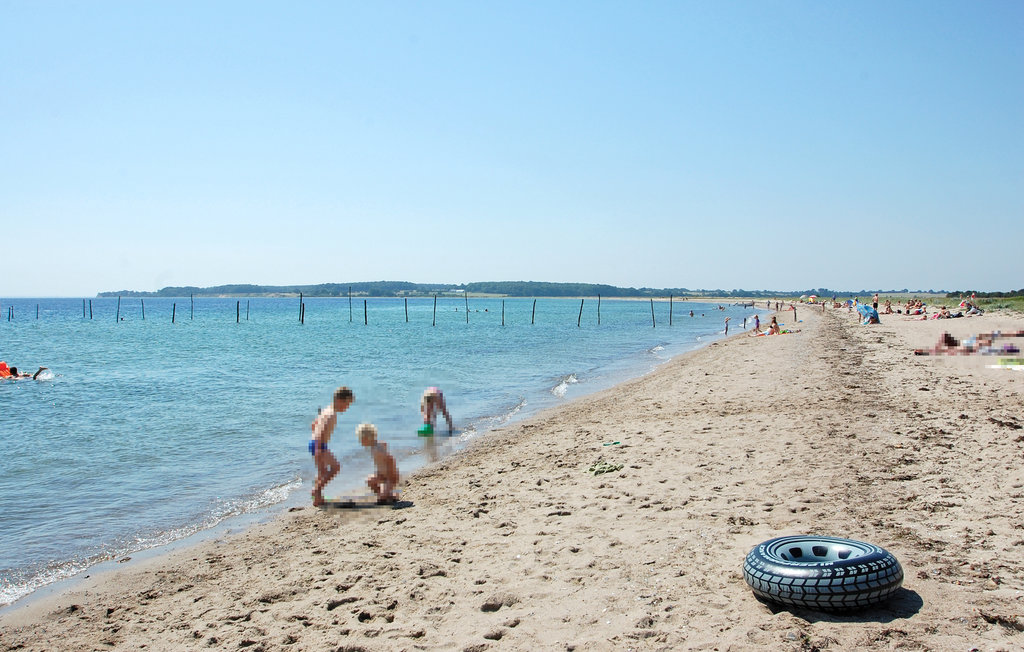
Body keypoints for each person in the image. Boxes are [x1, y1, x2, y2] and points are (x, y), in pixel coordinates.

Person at [309, 386, 354, 507]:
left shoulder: (326, 410)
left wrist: (316, 443)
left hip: (313, 443)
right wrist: (320, 448)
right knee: (335, 467)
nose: (347, 408)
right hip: (319, 445)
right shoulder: (331, 414)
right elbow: (321, 431)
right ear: (339, 401)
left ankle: (317, 498)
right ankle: (316, 491)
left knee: (322, 471)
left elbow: (313, 425)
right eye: (347, 404)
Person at [357, 423, 399, 504]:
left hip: (390, 477)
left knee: (382, 500)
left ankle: (386, 494)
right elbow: (384, 444)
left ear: (366, 438)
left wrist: (391, 475)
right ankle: (388, 494)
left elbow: (390, 459)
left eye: (360, 439)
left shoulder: (377, 449)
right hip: (382, 475)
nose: (360, 442)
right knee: (369, 480)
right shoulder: (375, 446)